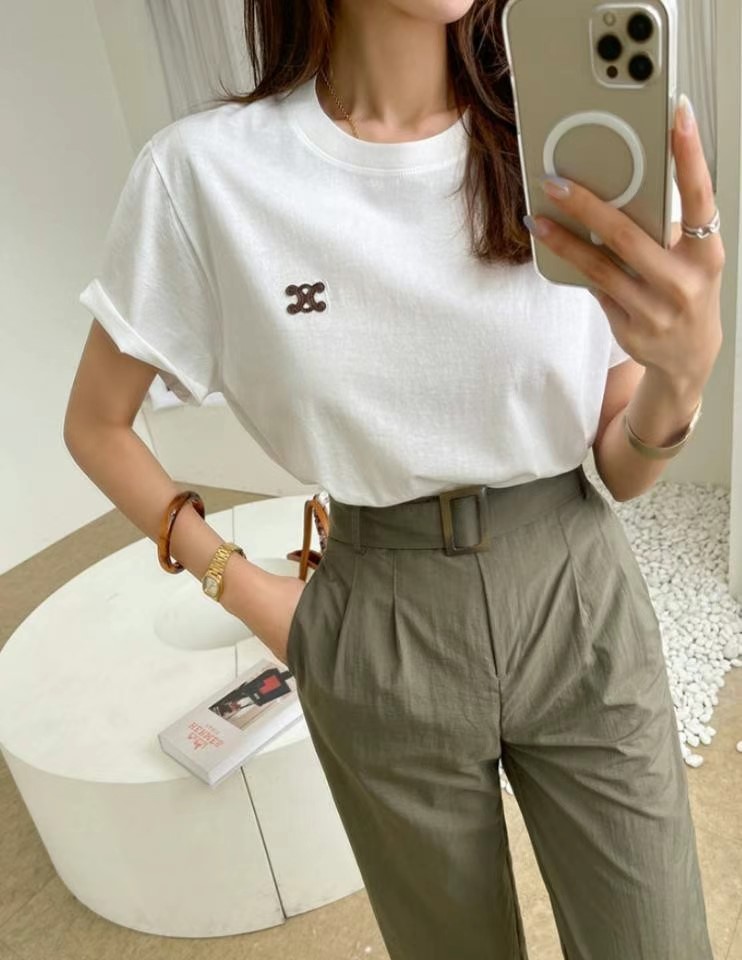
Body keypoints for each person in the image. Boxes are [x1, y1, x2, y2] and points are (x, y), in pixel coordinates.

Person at [66, 1, 725, 957]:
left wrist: (683, 375)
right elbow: (96, 424)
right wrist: (244, 588)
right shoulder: (208, 175)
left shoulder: (561, 145)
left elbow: (620, 465)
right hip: (377, 618)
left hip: (578, 593)